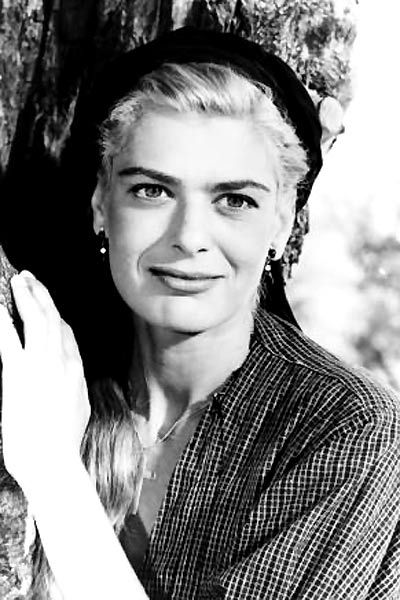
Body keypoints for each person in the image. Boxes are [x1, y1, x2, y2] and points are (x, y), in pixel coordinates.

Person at [0, 26, 399, 600]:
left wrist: (51, 470)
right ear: (100, 203)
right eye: (152, 191)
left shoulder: (346, 428)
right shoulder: (45, 373)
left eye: (235, 200)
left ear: (282, 221)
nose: (189, 237)